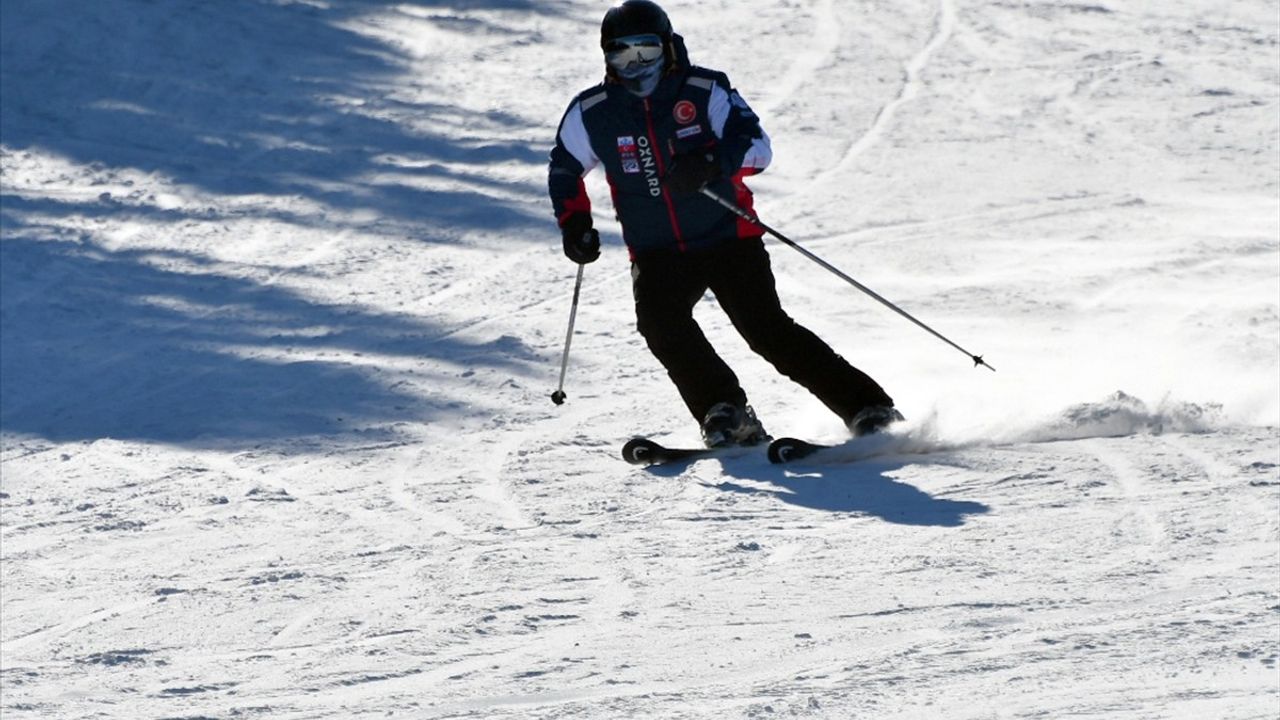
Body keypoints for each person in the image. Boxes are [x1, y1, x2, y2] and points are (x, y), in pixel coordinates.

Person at [548, 0, 900, 448]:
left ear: (668, 47)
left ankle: (868, 406)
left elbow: (757, 147)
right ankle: (725, 410)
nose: (636, 66)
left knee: (766, 330)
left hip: (727, 236)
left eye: (647, 52)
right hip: (657, 249)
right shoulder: (594, 110)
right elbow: (564, 169)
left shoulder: (703, 90)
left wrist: (711, 163)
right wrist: (574, 222)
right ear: (607, 57)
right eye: (623, 54)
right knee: (661, 325)